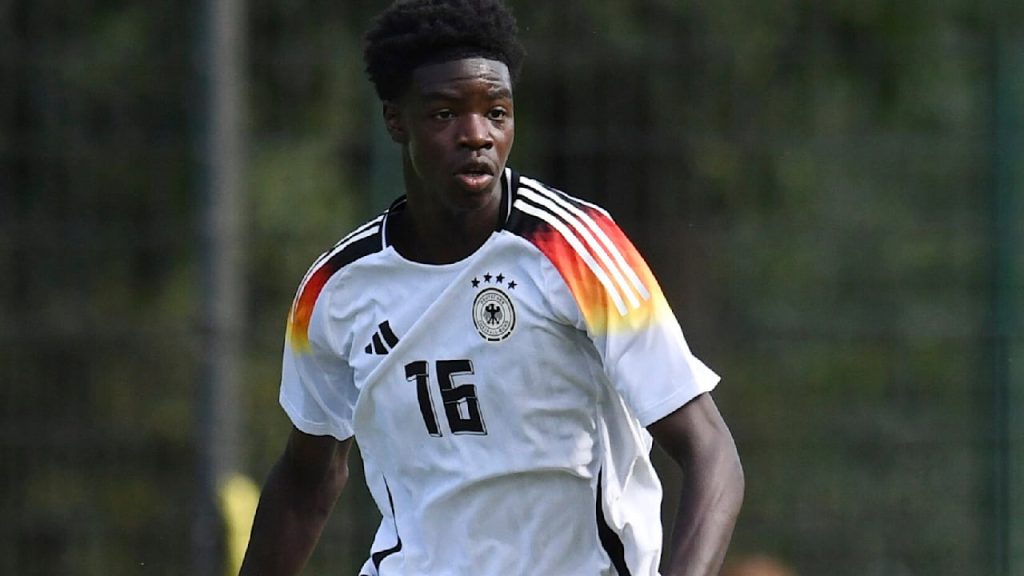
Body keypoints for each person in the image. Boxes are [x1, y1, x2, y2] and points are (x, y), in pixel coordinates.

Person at [239, 0, 744, 574]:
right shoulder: (335, 291)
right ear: (396, 121)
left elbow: (710, 452)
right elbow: (306, 482)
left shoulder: (575, 249)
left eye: (496, 112)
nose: (477, 135)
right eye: (445, 114)